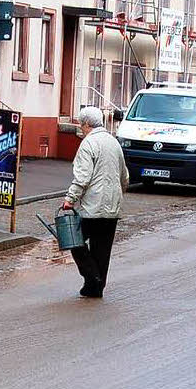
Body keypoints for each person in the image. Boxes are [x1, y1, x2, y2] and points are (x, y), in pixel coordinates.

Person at [61, 106, 129, 298]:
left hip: (93, 206)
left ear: (87, 124)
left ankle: (93, 277)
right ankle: (95, 288)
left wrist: (70, 199)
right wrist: (119, 194)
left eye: (81, 125)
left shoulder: (88, 144)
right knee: (103, 248)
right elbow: (124, 176)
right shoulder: (114, 143)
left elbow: (82, 178)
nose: (81, 128)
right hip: (113, 206)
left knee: (74, 241)